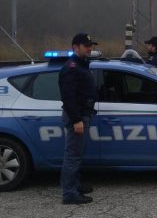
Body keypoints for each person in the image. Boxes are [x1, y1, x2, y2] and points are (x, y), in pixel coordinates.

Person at [59, 33, 98, 205]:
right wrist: (76, 120)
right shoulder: (71, 68)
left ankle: (75, 184)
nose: (90, 48)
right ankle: (69, 193)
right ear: (75, 47)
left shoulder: (82, 65)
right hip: (78, 116)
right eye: (86, 46)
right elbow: (68, 97)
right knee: (73, 156)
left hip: (83, 114)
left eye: (91, 45)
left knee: (76, 154)